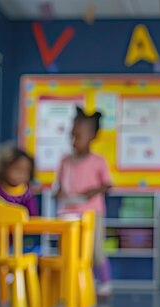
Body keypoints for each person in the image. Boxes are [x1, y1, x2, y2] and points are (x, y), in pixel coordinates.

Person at [56, 106, 113, 297]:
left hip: (92, 212)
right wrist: (60, 194)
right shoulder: (65, 161)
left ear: (91, 136)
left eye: (78, 136)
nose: (73, 140)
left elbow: (107, 185)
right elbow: (58, 187)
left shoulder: (98, 161)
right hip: (67, 213)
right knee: (71, 252)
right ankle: (74, 285)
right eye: (71, 135)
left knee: (94, 251)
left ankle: (104, 284)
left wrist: (93, 191)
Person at [0, 143, 39, 253]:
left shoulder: (26, 194)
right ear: (2, 168)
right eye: (17, 169)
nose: (21, 174)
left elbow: (33, 218)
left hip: (15, 245)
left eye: (26, 171)